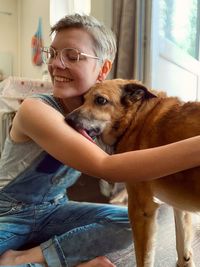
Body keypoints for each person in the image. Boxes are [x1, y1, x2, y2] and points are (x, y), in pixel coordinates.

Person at [0, 13, 200, 267]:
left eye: (72, 56)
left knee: (130, 222)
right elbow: (106, 167)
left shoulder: (97, 116)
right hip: (9, 214)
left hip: (55, 211)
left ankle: (32, 257)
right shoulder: (35, 110)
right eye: (52, 54)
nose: (57, 64)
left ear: (103, 69)